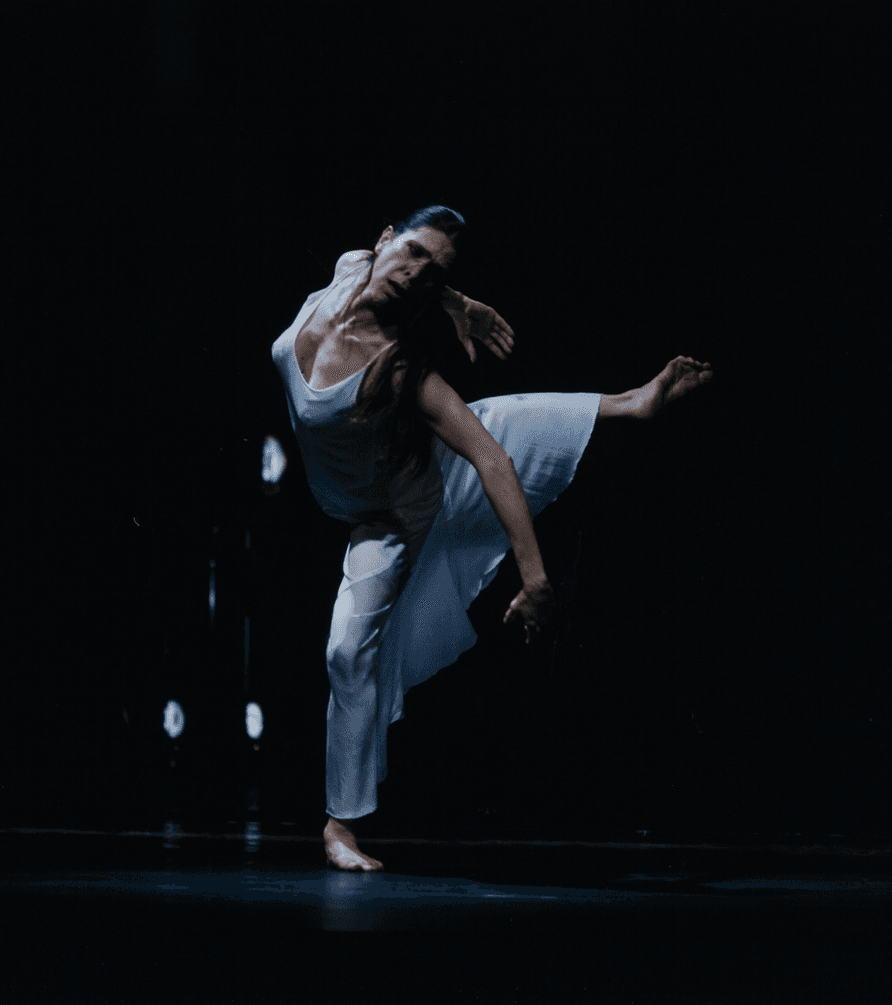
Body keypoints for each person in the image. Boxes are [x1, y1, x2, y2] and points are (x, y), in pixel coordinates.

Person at [270, 205, 713, 871]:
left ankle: (341, 826)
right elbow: (401, 271)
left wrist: (536, 581)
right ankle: (627, 402)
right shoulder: (350, 269)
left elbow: (493, 462)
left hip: (396, 514)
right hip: (367, 494)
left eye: (435, 274)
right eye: (412, 253)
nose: (415, 274)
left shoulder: (400, 370)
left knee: (347, 647)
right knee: (497, 420)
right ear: (384, 238)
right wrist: (458, 301)